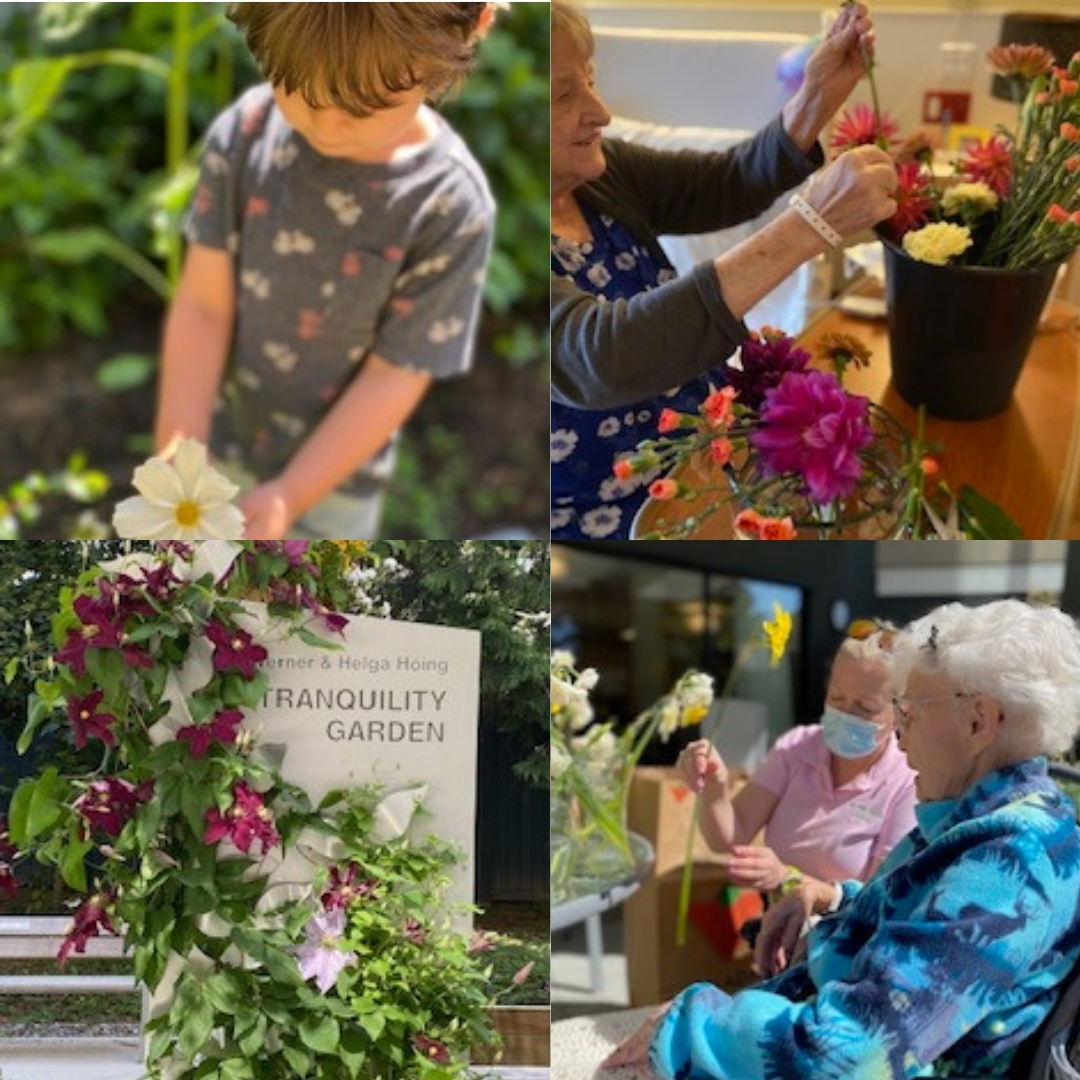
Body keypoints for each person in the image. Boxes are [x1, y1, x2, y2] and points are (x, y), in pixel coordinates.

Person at [604, 599, 1080, 1079]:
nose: (901, 735)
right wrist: (833, 900)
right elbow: (925, 915)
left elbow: (851, 1053)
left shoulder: (1010, 862)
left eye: (908, 710)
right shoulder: (990, 821)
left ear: (978, 721)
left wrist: (686, 1024)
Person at [550, 0, 899, 540]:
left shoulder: (602, 173)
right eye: (562, 95)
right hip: (611, 512)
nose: (600, 111)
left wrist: (814, 99)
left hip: (711, 462)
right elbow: (602, 356)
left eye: (590, 81)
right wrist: (810, 223)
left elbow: (726, 182)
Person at [155, 3, 497, 540]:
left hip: (336, 481)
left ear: (474, 25)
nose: (327, 123)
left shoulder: (447, 206)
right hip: (218, 441)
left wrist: (292, 492)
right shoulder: (245, 135)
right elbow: (203, 305)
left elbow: (397, 372)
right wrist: (179, 444)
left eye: (363, 107)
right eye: (304, 94)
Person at [677, 621, 915, 903]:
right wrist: (714, 787)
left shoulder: (907, 782)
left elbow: (878, 903)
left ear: (901, 712)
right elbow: (730, 837)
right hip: (777, 933)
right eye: (836, 698)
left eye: (866, 708)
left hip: (837, 943)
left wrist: (786, 879)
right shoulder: (797, 747)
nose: (847, 715)